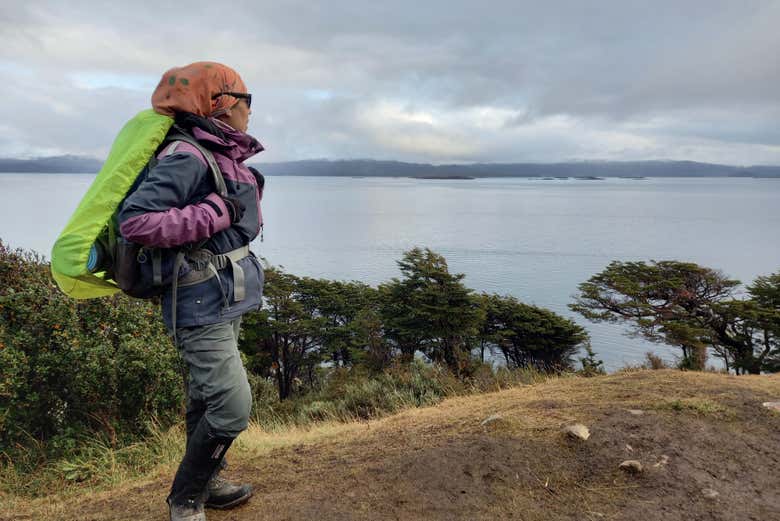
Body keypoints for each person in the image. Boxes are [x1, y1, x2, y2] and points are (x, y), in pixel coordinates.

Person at [117, 62, 265, 521]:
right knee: (233, 405)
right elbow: (136, 220)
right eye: (247, 99)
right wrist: (216, 212)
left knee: (205, 397)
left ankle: (210, 482)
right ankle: (185, 498)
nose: (251, 111)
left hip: (224, 295)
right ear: (220, 104)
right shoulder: (187, 154)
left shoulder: (219, 152)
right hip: (199, 301)